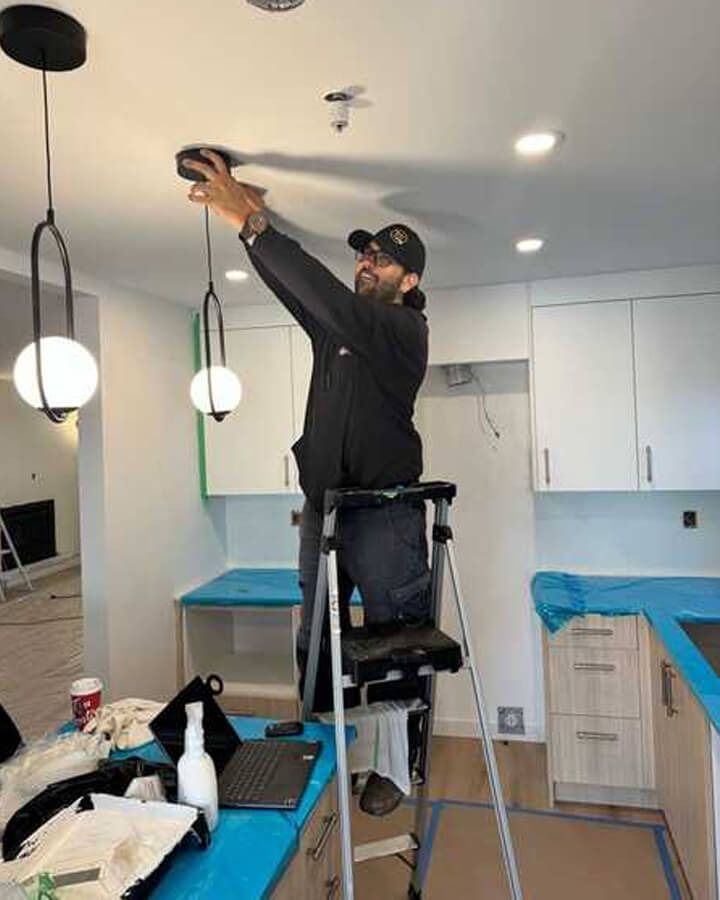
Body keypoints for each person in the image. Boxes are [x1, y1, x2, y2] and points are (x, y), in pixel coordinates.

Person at [184, 149, 431, 815]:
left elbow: (329, 298)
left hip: (383, 514)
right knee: (316, 635)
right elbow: (301, 292)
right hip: (323, 508)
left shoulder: (402, 330)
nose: (367, 263)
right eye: (365, 254)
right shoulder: (338, 334)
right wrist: (250, 231)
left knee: (392, 640)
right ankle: (321, 750)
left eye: (383, 260)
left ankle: (395, 768)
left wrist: (256, 223)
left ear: (408, 281)